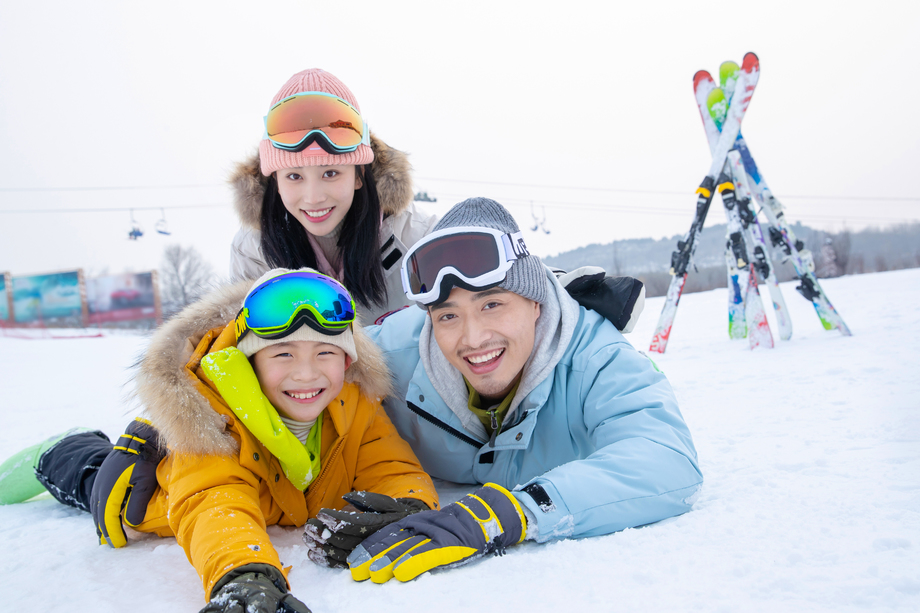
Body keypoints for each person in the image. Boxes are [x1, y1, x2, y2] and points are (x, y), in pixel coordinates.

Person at [0, 269, 438, 611]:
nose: (307, 374)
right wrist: (241, 571)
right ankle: (60, 449)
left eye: (325, 352)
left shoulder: (354, 400)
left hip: (265, 499)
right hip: (152, 497)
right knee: (105, 486)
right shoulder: (212, 415)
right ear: (249, 361)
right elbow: (215, 501)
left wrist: (409, 508)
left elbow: (391, 467)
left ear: (347, 360)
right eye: (283, 354)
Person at [324, 197, 704, 583]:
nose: (473, 339)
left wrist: (514, 512)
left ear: (535, 302)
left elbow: (667, 461)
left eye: (492, 304)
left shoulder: (596, 357)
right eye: (449, 316)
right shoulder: (391, 356)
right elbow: (293, 377)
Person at [229, 68, 439, 325]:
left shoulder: (417, 240)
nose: (314, 197)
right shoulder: (254, 253)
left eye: (330, 173)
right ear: (276, 181)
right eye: (294, 176)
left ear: (359, 175)